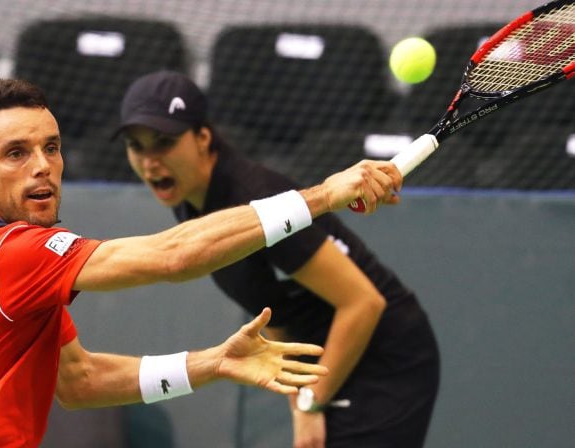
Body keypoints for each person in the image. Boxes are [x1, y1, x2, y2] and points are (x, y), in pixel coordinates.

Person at [0, 78, 402, 447]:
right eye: (16, 153)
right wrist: (321, 197)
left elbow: (79, 382)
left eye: (52, 147)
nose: (43, 166)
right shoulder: (9, 254)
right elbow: (173, 256)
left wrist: (214, 363)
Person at [113, 70, 440, 448]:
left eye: (164, 142)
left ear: (203, 138)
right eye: (137, 146)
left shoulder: (258, 200)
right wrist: (300, 403)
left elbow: (364, 303)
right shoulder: (190, 202)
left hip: (386, 356)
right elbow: (276, 316)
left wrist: (310, 405)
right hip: (325, 363)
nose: (150, 161)